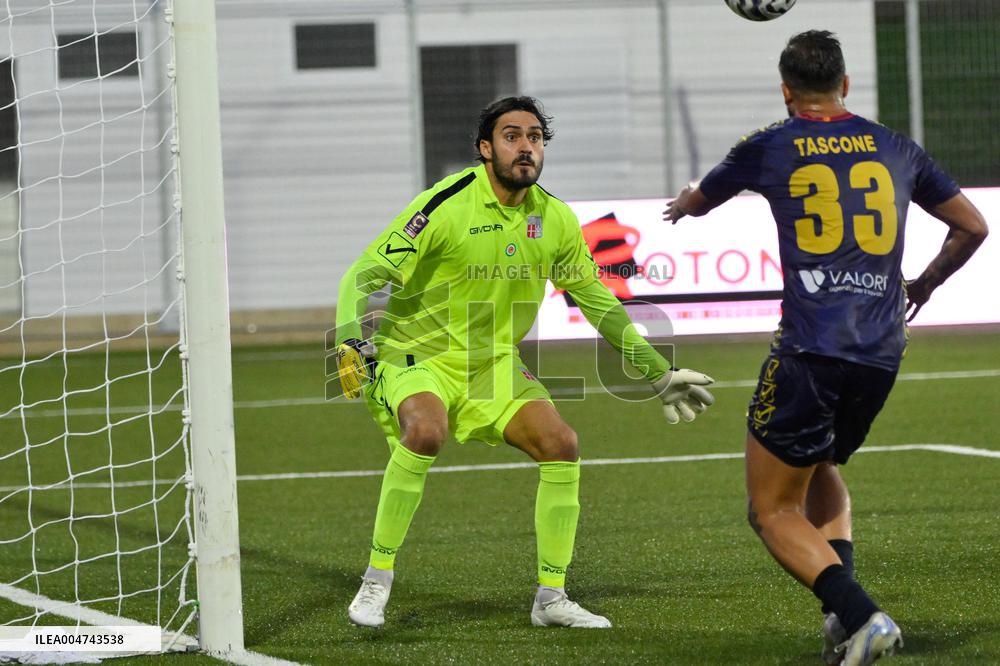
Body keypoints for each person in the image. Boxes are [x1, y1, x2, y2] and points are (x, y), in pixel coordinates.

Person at [664, 30, 987, 666]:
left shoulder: (770, 145)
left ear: (786, 90)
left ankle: (865, 617)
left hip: (812, 349)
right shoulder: (896, 145)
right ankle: (843, 619)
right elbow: (972, 225)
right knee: (822, 473)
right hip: (882, 351)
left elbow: (700, 202)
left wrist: (685, 204)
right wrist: (922, 284)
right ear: (845, 85)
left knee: (771, 509)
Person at [335, 96, 716, 629]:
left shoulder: (554, 218)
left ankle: (551, 598)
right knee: (424, 431)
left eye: (535, 137)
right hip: (417, 354)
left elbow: (597, 301)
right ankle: (376, 582)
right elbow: (361, 275)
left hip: (494, 365)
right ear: (485, 148)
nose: (526, 147)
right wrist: (350, 340)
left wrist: (657, 371)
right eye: (512, 136)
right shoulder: (443, 205)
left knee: (561, 445)